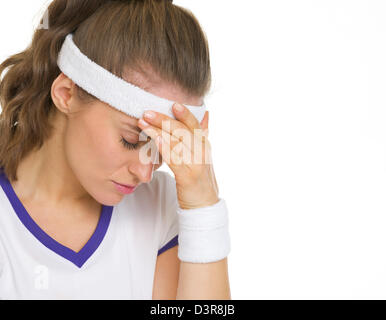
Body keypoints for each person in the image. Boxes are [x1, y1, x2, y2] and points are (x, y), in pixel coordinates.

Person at [0, 0, 231, 299]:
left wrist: (203, 207)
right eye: (131, 140)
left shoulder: (163, 206)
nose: (145, 172)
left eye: (161, 149)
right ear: (66, 94)